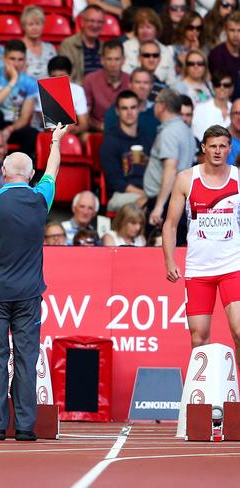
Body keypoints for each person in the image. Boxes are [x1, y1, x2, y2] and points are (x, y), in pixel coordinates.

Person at [0, 123, 68, 441]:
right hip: (29, 292)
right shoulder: (41, 199)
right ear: (31, 173)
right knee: (26, 357)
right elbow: (54, 170)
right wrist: (56, 141)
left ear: (4, 172)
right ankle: (24, 426)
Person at [163, 124, 240, 367]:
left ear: (230, 148)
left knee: (239, 333)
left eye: (222, 146)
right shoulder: (186, 179)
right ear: (204, 148)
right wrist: (169, 260)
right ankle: (202, 398)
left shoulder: (238, 179)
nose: (217, 151)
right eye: (213, 146)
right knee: (199, 338)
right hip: (199, 268)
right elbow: (170, 224)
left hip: (233, 265)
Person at [144, 88, 198, 230]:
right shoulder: (186, 130)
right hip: (179, 198)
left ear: (162, 106)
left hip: (166, 200)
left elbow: (171, 168)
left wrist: (159, 207)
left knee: (158, 249)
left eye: (155, 102)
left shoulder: (169, 133)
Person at [0, 40, 39, 156]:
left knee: (32, 133)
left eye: (20, 59)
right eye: (12, 59)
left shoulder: (30, 83)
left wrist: (10, 129)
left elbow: (25, 118)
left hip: (12, 126)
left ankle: (17, 168)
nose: (16, 64)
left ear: (25, 61)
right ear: (4, 59)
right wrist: (12, 81)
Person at [100, 90, 152, 212]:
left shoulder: (147, 140)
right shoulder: (110, 142)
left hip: (147, 192)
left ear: (139, 109)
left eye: (133, 107)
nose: (129, 112)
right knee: (149, 205)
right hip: (120, 195)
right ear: (117, 111)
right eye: (124, 108)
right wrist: (146, 195)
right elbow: (116, 182)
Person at [83, 39, 130, 132]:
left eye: (117, 59)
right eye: (109, 59)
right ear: (102, 60)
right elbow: (84, 115)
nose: (113, 64)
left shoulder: (131, 81)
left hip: (126, 130)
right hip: (97, 131)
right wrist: (98, 127)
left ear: (123, 60)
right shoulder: (90, 80)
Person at [58, 5, 105, 84]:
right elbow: (65, 78)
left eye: (99, 22)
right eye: (91, 21)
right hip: (78, 93)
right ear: (82, 22)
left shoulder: (105, 47)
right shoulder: (68, 45)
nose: (95, 25)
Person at [208, 11, 240, 100]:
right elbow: (220, 88)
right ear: (225, 30)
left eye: (239, 30)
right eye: (232, 30)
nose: (236, 35)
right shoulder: (217, 55)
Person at [192, 71, 233, 141]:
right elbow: (198, 136)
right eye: (218, 84)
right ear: (213, 87)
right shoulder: (200, 109)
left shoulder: (236, 109)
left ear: (231, 88)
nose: (222, 88)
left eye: (226, 85)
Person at [20, 6, 57, 80]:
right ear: (24, 26)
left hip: (50, 89)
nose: (34, 28)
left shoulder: (50, 48)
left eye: (38, 24)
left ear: (43, 25)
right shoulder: (18, 48)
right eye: (30, 24)